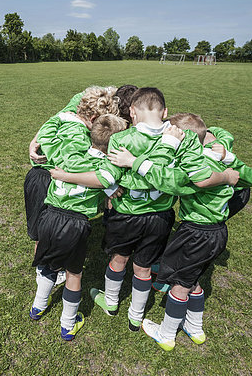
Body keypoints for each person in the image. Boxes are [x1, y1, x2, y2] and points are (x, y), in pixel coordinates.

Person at [49, 88, 239, 333]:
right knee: (144, 266)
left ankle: (111, 302)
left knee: (118, 259)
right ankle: (136, 317)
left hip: (127, 214)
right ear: (165, 112)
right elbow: (183, 180)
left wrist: (114, 183)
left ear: (131, 111)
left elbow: (108, 177)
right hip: (160, 216)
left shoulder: (123, 138)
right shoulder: (185, 138)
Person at [109, 112, 252, 351]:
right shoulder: (217, 158)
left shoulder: (193, 169)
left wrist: (134, 162)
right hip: (218, 232)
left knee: (179, 285)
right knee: (193, 278)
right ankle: (195, 327)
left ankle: (166, 334)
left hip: (195, 233)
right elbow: (248, 177)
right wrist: (228, 162)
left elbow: (167, 180)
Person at [30, 109, 128, 342]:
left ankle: (38, 306)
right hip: (75, 223)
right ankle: (68, 323)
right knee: (74, 274)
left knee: (47, 264)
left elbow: (48, 136)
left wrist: (64, 116)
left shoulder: (68, 153)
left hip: (48, 216)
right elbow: (104, 179)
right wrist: (111, 189)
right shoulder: (110, 167)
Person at [24, 86, 120, 285]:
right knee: (45, 233)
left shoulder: (66, 119)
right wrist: (108, 184)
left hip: (44, 177)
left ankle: (44, 273)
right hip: (47, 179)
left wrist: (53, 124)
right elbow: (76, 165)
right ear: (93, 119)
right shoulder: (77, 135)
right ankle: (47, 272)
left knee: (44, 231)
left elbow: (48, 132)